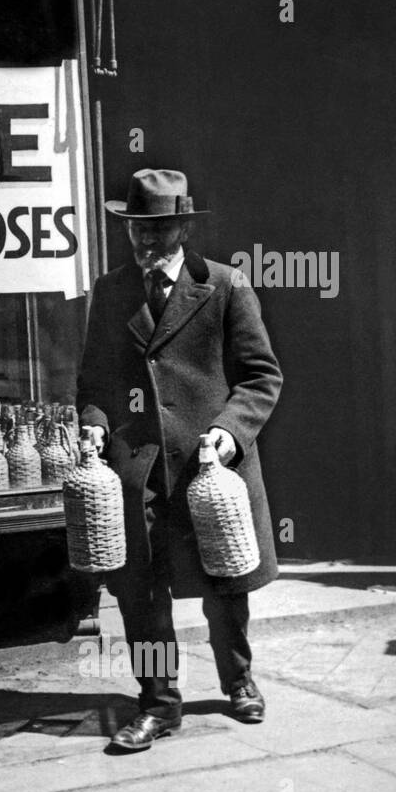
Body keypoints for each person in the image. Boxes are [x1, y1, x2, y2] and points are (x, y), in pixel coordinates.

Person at [77, 169, 283, 752]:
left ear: (184, 227)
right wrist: (94, 429)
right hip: (138, 470)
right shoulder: (112, 290)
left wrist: (228, 433)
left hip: (210, 465)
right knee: (140, 592)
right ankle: (158, 704)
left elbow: (262, 377)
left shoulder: (225, 286)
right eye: (136, 229)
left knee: (225, 583)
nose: (145, 240)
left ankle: (239, 680)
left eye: (159, 228)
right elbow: (95, 379)